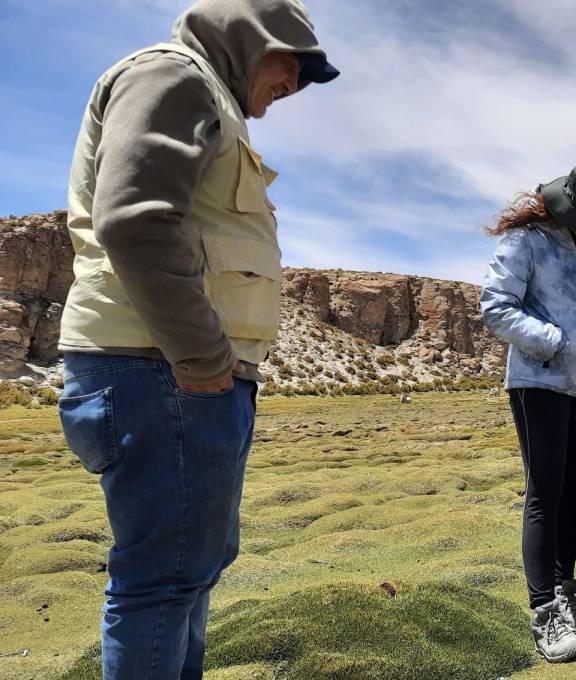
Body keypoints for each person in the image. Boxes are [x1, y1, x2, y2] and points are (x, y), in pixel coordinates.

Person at [56, 1, 338, 677]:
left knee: (188, 572)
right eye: (293, 69)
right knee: (163, 580)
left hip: (179, 375)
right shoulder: (173, 77)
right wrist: (204, 359)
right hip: (164, 373)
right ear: (256, 39)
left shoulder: (206, 93)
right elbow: (135, 221)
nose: (290, 91)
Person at [480, 163, 576, 663]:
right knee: (545, 492)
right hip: (539, 382)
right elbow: (496, 306)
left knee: (574, 489)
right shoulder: (527, 241)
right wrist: (554, 343)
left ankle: (566, 587)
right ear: (567, 211)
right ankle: (545, 612)